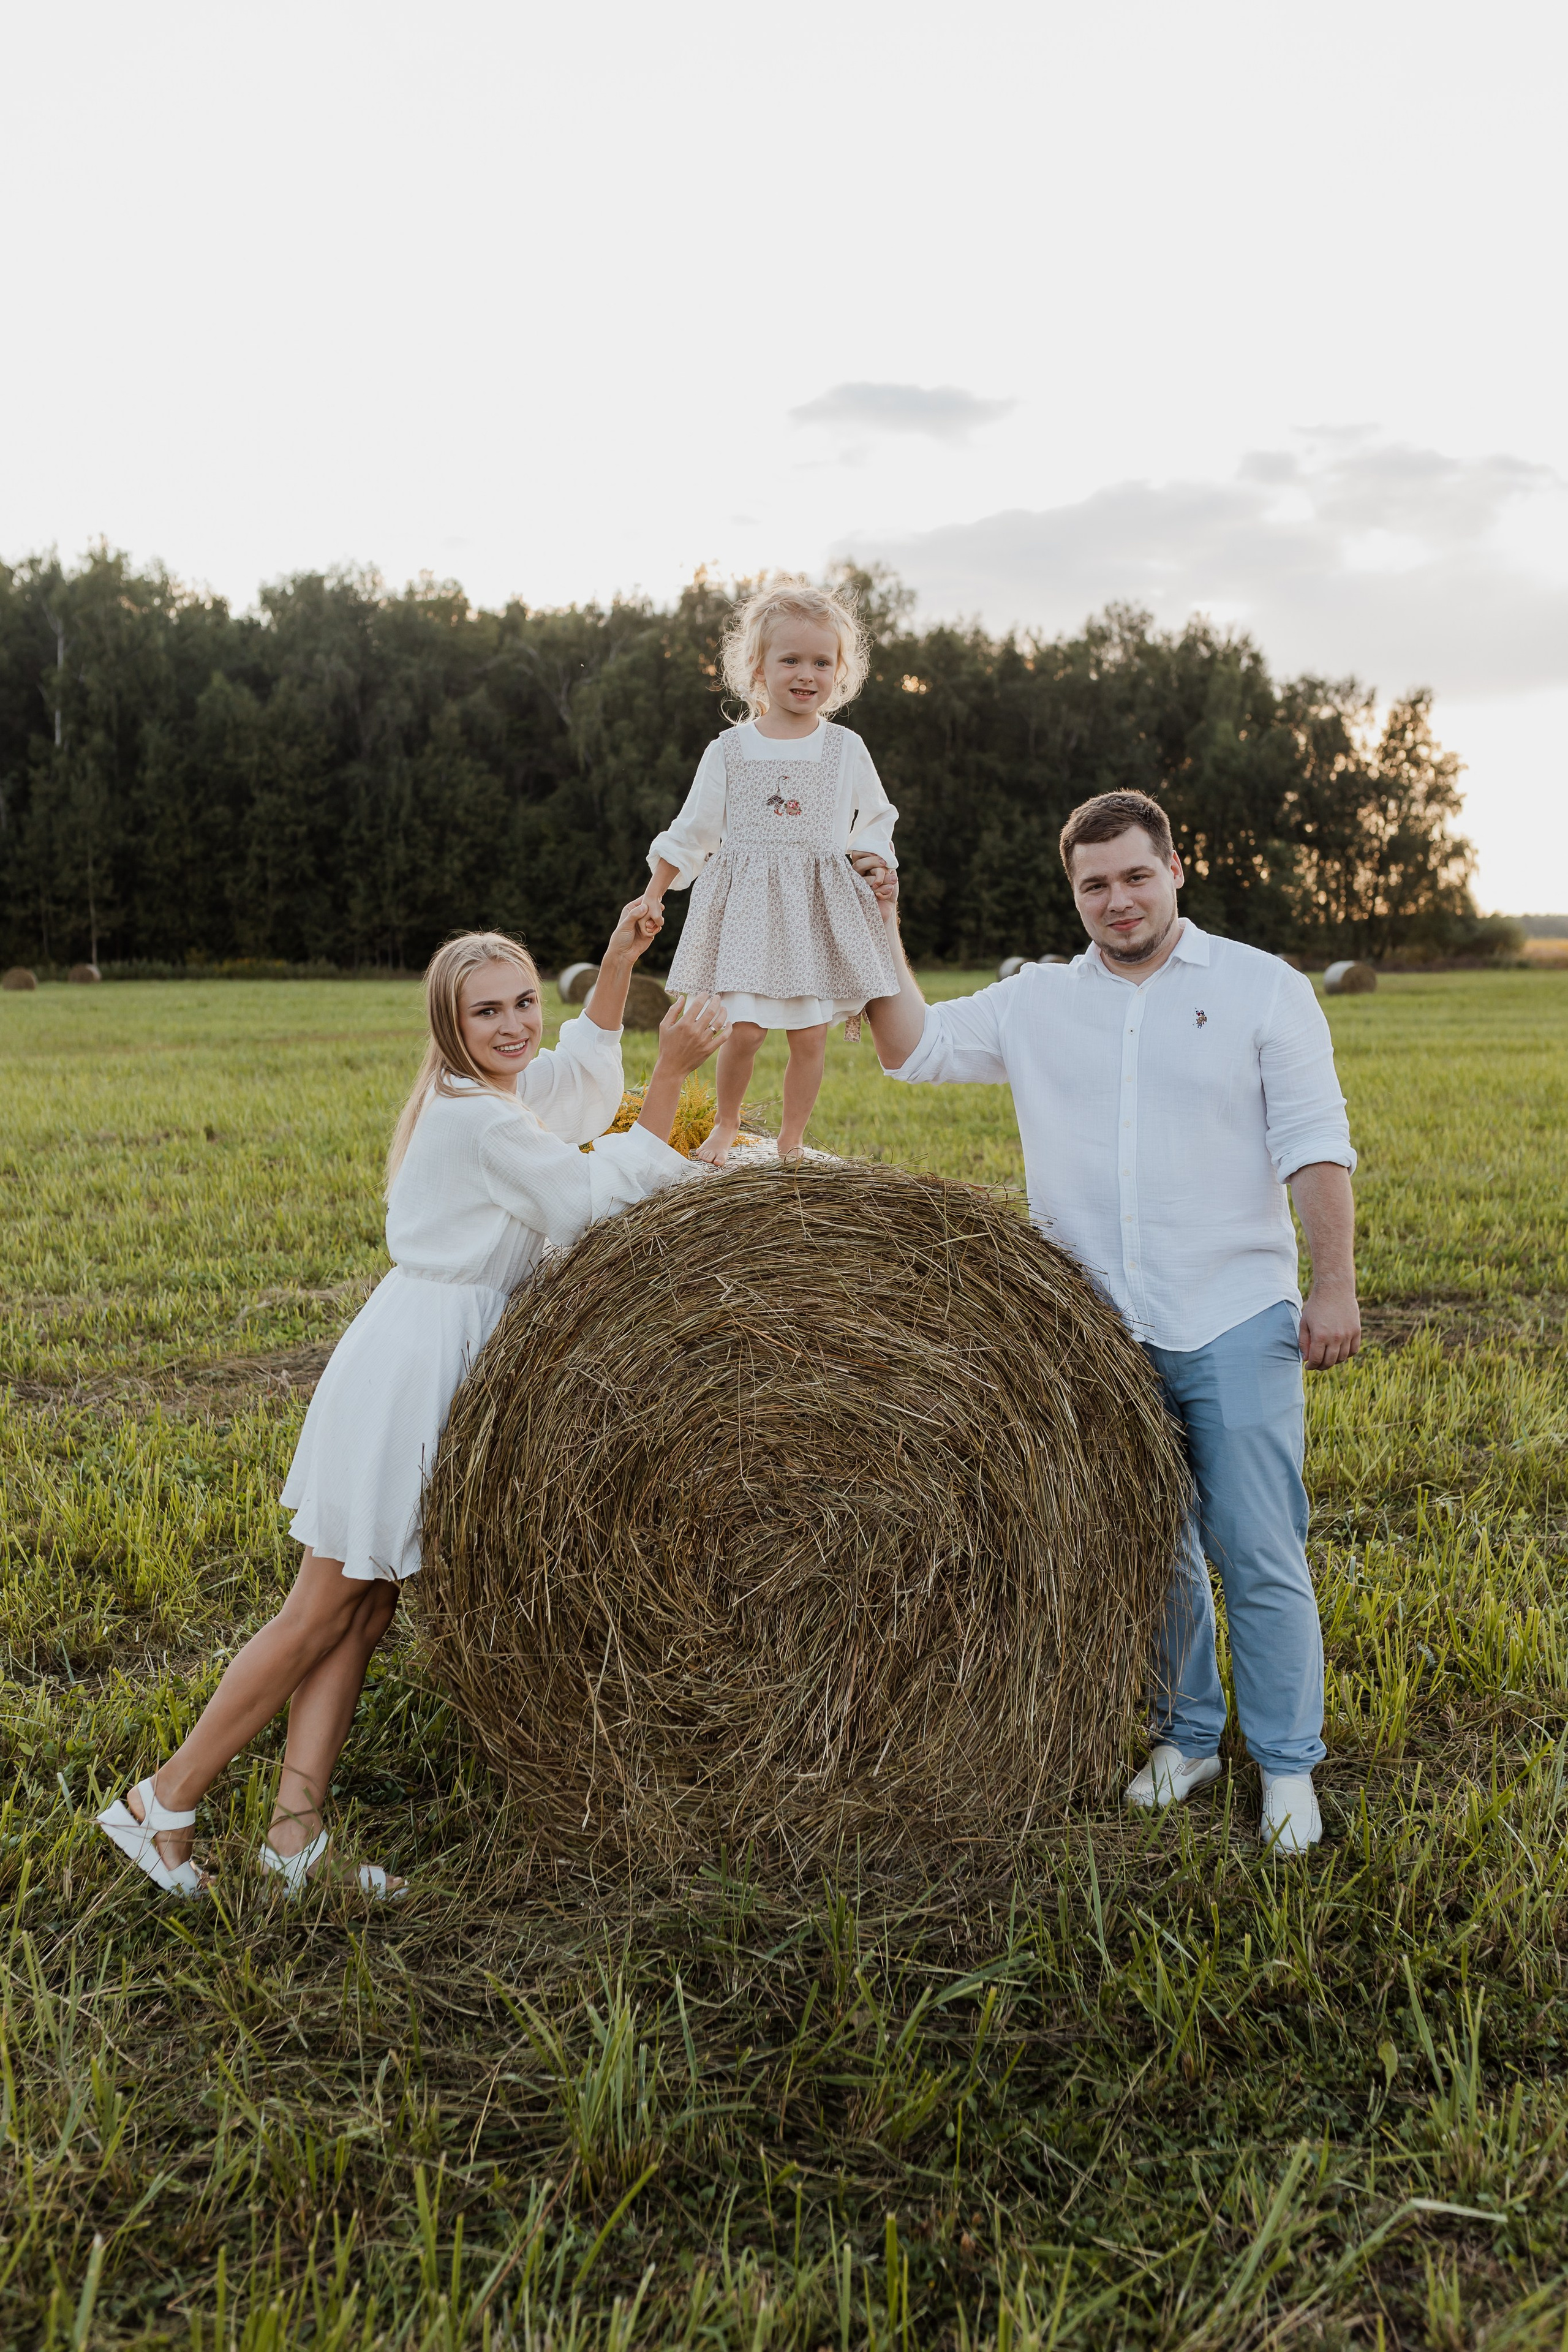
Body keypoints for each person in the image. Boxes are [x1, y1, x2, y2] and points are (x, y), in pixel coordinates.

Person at [96, 912, 731, 1899]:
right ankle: (160, 1803)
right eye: (488, 1012)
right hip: (414, 1371)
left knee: (365, 1609)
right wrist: (674, 1076)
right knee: (320, 1610)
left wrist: (616, 963)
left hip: (436, 1354)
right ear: (450, 1025)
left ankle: (293, 1842)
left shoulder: (493, 1096)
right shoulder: (475, 1120)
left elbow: (575, 1086)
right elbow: (585, 1202)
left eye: (524, 1002)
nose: (515, 1025)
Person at [856, 790, 1360, 1853]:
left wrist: (1335, 1286)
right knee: (1149, 1547)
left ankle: (1287, 1764)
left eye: (1135, 875)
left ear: (1175, 870)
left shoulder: (1262, 988)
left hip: (1232, 1309)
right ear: (1074, 893)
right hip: (1094, 1333)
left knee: (1257, 1548)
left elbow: (1314, 1141)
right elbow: (909, 1049)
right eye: (1095, 884)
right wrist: (883, 921)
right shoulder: (1037, 1001)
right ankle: (1189, 1737)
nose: (1118, 899)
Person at [633, 578, 899, 1164]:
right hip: (747, 908)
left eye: (822, 662)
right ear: (758, 667)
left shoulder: (845, 747)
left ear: (839, 672)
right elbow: (693, 830)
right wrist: (654, 893)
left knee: (809, 1035)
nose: (807, 674)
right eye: (791, 660)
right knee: (744, 1030)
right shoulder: (729, 749)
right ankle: (727, 1125)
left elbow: (878, 815)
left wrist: (871, 860)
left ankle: (791, 1139)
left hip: (814, 909)